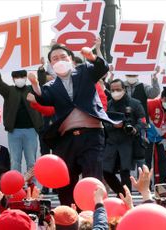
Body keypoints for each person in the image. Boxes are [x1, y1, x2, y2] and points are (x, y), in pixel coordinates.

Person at [29, 44, 110, 206]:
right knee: (65, 179)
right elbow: (43, 98)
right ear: (51, 65)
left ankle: (93, 214)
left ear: (71, 59)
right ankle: (68, 215)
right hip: (66, 138)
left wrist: (93, 58)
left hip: (91, 134)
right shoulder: (50, 86)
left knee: (92, 177)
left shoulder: (85, 71)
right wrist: (35, 84)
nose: (59, 60)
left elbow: (102, 68)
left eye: (63, 57)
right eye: (55, 58)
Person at [0, 69, 43, 173]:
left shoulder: (32, 89)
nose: (19, 79)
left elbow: (41, 84)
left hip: (31, 130)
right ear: (13, 79)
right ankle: (16, 187)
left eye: (22, 77)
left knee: (32, 161)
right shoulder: (9, 91)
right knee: (15, 161)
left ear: (26, 78)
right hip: (14, 131)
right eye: (16, 77)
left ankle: (31, 186)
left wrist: (41, 70)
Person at [103, 79, 146, 196]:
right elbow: (102, 122)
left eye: (118, 89)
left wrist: (134, 129)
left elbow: (142, 120)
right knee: (106, 171)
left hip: (127, 142)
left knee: (125, 173)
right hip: (111, 143)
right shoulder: (108, 104)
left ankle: (126, 198)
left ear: (124, 89)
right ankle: (121, 192)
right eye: (112, 90)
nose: (115, 92)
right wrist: (113, 124)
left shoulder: (135, 103)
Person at [146, 90, 166, 183]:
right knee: (147, 161)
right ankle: (147, 184)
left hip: (162, 137)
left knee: (163, 159)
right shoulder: (150, 103)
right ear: (161, 98)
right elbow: (142, 118)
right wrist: (144, 134)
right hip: (148, 136)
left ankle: (163, 184)